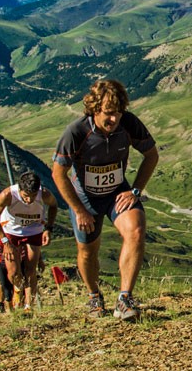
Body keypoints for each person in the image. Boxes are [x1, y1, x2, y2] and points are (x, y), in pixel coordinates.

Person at [51, 79, 158, 321]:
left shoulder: (129, 124)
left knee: (136, 230)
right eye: (109, 114)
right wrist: (78, 210)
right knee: (88, 252)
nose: (114, 121)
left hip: (116, 194)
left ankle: (124, 298)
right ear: (94, 109)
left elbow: (151, 155)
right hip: (85, 200)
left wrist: (136, 191)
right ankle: (93, 296)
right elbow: (58, 173)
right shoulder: (76, 132)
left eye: (119, 114)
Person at [0, 171, 57, 312]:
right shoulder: (7, 195)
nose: (29, 200)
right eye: (25, 196)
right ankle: (17, 290)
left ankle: (29, 305)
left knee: (30, 269)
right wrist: (5, 242)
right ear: (19, 189)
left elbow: (54, 206)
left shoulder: (44, 194)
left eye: (32, 196)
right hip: (11, 231)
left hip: (34, 230)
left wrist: (48, 228)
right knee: (13, 272)